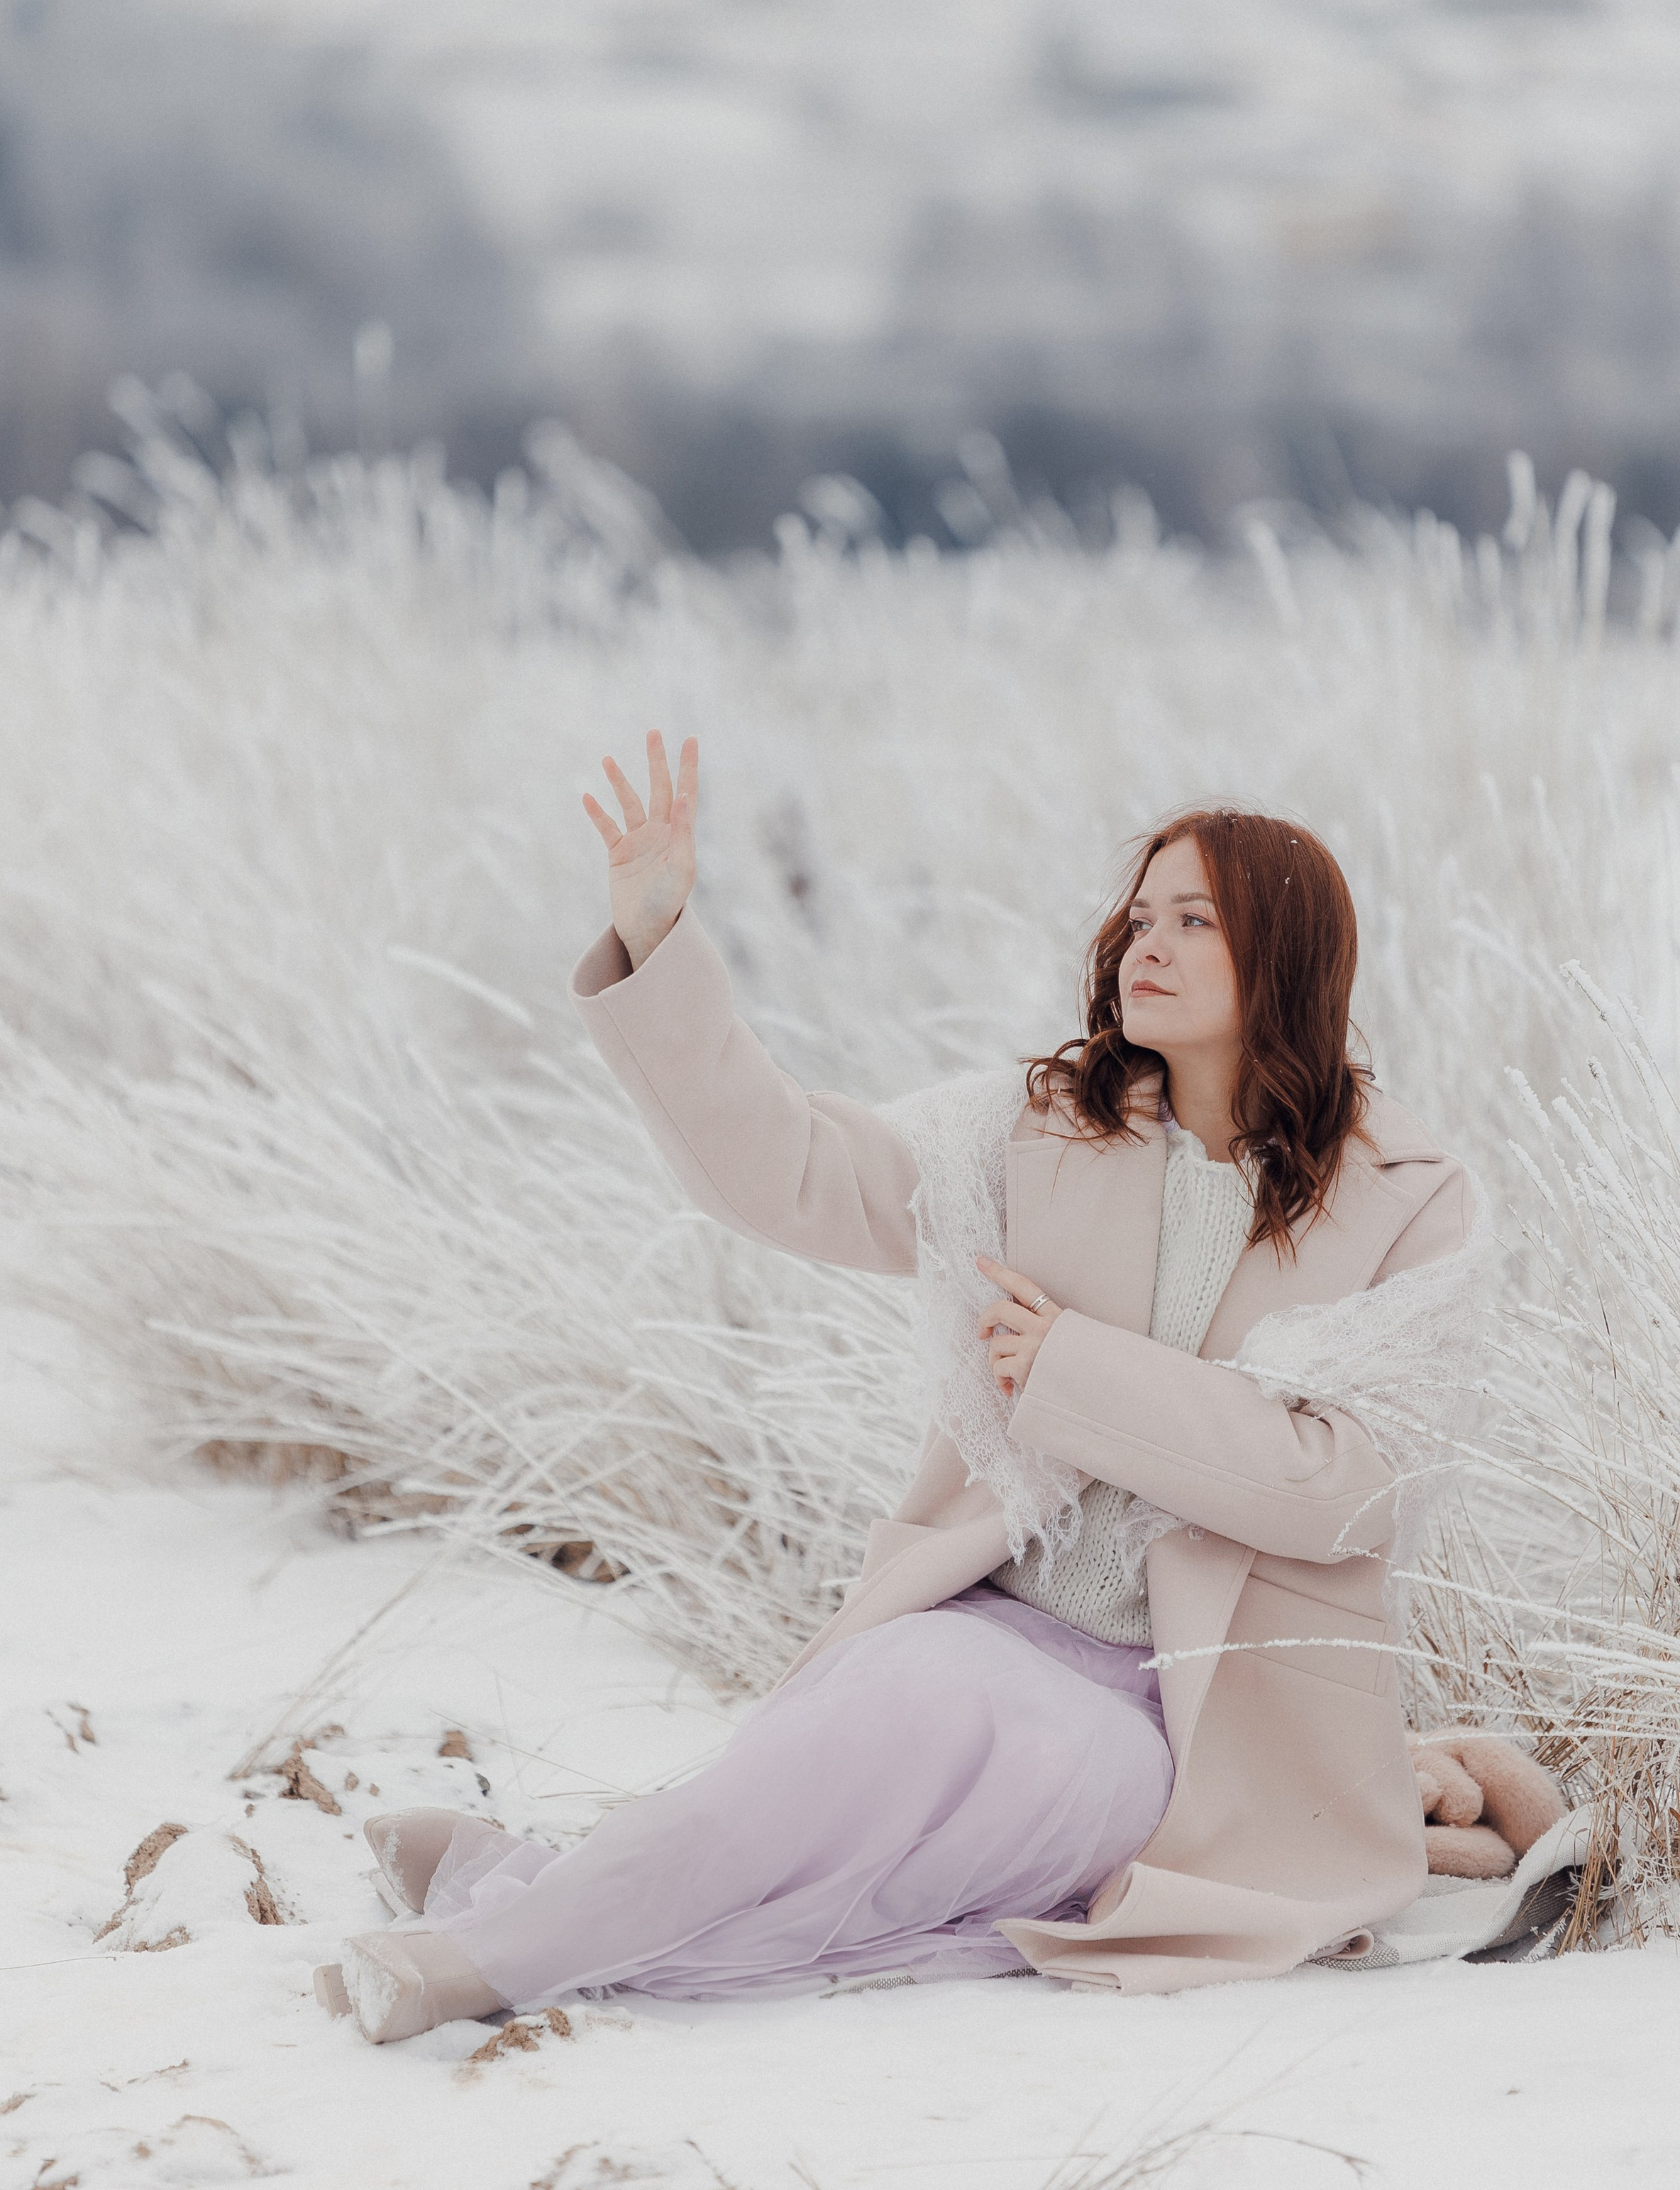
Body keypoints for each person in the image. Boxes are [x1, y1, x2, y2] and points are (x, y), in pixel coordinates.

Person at [329, 732, 1477, 2042]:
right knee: (890, 1735)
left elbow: (1342, 1489)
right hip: (992, 1625)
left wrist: (1075, 1374)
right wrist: (660, 948)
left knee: (899, 1872)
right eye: (1140, 914)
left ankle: (524, 1892)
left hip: (1191, 1726)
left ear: (1286, 952)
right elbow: (797, 1172)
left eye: (1196, 918)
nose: (1143, 943)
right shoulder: (1044, 1126)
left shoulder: (1402, 1200)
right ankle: (490, 1952)